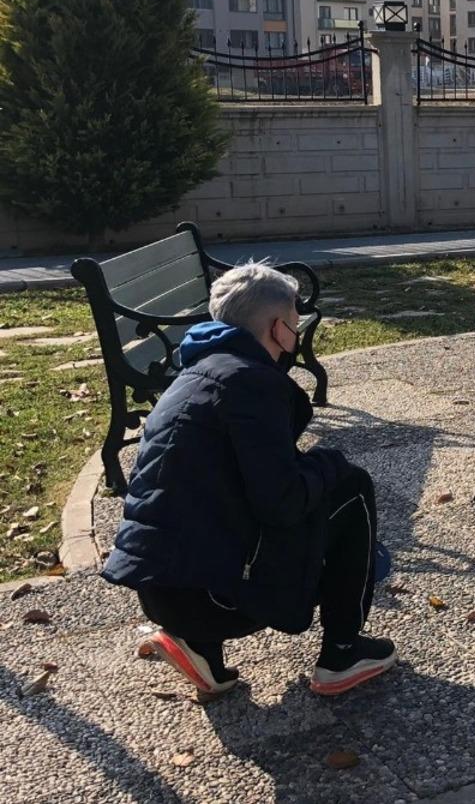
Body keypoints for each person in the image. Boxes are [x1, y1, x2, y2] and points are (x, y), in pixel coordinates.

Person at [101, 263, 395, 696]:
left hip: (160, 591)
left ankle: (199, 648)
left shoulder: (191, 376)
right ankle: (343, 653)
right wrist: (328, 463)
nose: (295, 337)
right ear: (278, 329)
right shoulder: (252, 383)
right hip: (214, 601)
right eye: (294, 326)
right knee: (351, 487)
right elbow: (283, 502)